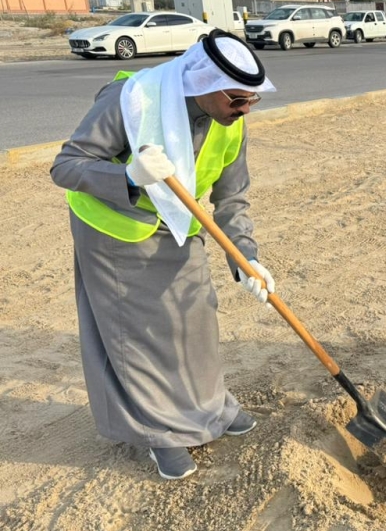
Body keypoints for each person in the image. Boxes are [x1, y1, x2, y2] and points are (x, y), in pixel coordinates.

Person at [50, 30, 277, 480]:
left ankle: (211, 408)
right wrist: (131, 177)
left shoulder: (232, 123)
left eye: (252, 100)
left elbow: (232, 200)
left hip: (179, 228)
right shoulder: (132, 99)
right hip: (114, 229)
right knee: (138, 334)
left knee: (196, 317)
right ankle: (158, 434)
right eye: (237, 99)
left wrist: (245, 259)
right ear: (203, 85)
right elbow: (66, 166)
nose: (245, 108)